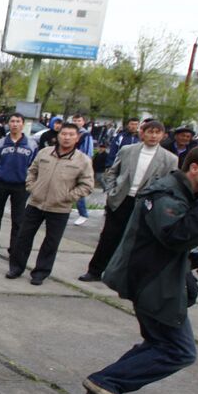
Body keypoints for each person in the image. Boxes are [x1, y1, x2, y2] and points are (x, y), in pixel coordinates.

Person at [84, 143, 198, 394]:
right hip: (152, 280)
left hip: (160, 278)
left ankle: (110, 382)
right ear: (195, 168)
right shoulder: (166, 193)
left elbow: (193, 227)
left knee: (160, 342)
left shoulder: (189, 193)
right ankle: (108, 381)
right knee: (179, 350)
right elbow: (176, 235)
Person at [79, 119, 177, 283]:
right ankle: (95, 270)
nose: (153, 136)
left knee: (137, 241)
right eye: (149, 132)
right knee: (109, 237)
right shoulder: (128, 150)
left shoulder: (169, 159)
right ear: (142, 133)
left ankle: (125, 275)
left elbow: (170, 183)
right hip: (121, 199)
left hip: (146, 203)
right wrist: (111, 191)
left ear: (163, 135)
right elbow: (112, 172)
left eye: (157, 132)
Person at [6, 121, 94, 285]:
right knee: (23, 237)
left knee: (51, 242)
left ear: (77, 138)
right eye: (63, 134)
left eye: (71, 135)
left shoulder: (82, 160)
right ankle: (16, 268)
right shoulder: (45, 153)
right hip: (35, 203)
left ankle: (40, 273)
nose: (66, 138)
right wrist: (32, 187)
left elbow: (87, 185)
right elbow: (32, 171)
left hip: (60, 208)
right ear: (58, 135)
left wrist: (68, 196)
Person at [0, 111, 38, 258]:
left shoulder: (31, 144)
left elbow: (35, 166)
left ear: (23, 124)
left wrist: (30, 183)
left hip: (21, 186)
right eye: (12, 121)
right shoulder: (0, 143)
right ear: (8, 124)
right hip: (1, 184)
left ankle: (14, 249)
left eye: (18, 121)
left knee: (18, 220)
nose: (15, 124)